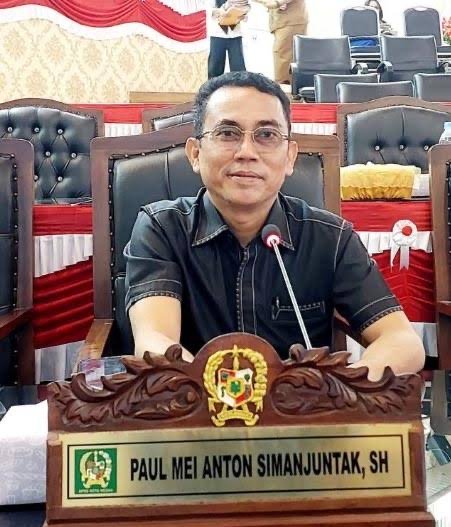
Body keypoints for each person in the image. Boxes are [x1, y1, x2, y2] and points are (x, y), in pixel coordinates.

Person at [124, 71, 425, 381]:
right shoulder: (161, 229)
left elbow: (402, 341)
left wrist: (338, 392)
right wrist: (228, 397)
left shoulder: (330, 238)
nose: (246, 152)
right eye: (227, 133)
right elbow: (156, 342)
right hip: (194, 404)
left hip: (302, 407)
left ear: (290, 157)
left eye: (266, 135)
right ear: (195, 154)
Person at [254, 0, 308, 84]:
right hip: (280, 21)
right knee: (281, 54)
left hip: (292, 20)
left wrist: (278, 2)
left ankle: (284, 86)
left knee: (284, 54)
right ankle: (283, 85)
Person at [207, 0, 249, 78]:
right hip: (217, 35)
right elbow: (208, 10)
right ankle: (214, 85)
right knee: (215, 68)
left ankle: (239, 85)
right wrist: (221, 11)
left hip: (235, 35)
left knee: (238, 68)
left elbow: (245, 10)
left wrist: (242, 15)